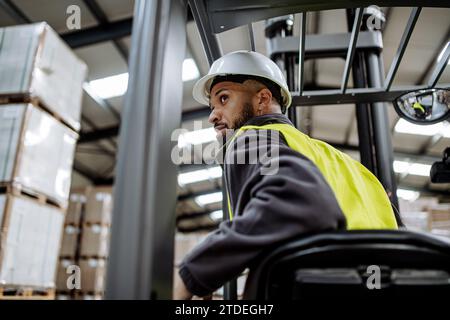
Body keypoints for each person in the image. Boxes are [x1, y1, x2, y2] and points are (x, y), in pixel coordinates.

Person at [174, 50, 398, 299]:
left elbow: (299, 204)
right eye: (212, 106)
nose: (212, 116)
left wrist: (191, 274)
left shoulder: (251, 140)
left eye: (224, 98)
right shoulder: (355, 168)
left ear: (262, 99)